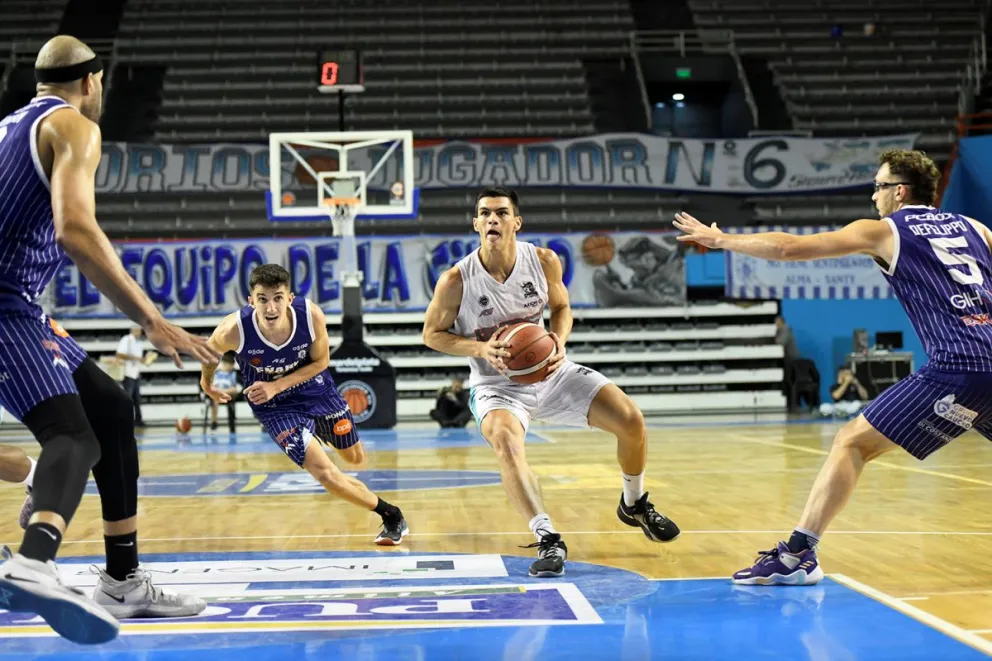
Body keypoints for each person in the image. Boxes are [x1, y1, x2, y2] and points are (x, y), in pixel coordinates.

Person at [673, 148, 990, 585]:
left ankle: (797, 555)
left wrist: (721, 241)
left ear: (899, 192)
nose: (873, 197)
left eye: (878, 187)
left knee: (851, 443)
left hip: (959, 364)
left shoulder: (884, 230)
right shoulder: (976, 228)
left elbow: (789, 248)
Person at [0, 36, 219, 644]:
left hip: (22, 308)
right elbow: (76, 229)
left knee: (112, 411)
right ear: (93, 82)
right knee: (72, 436)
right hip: (5, 305)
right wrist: (151, 318)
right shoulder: (74, 127)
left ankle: (122, 580)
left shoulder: (8, 127)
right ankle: (35, 560)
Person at [422, 186, 680, 579]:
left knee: (631, 420)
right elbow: (432, 334)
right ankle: (547, 537)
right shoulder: (456, 280)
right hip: (497, 385)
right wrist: (480, 349)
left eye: (502, 213)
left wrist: (558, 338)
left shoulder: (543, 260)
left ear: (516, 222)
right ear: (475, 223)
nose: (493, 219)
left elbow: (561, 308)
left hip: (551, 371)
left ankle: (634, 503)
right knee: (506, 443)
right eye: (485, 213)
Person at [200, 264, 409, 545]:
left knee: (354, 458)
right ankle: (391, 515)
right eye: (262, 298)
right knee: (326, 474)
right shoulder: (233, 329)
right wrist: (207, 386)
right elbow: (209, 356)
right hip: (273, 406)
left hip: (314, 388)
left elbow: (322, 362)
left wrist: (277, 384)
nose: (270, 307)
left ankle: (316, 433)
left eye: (277, 297)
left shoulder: (310, 316)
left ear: (289, 298)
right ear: (251, 301)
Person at [116, 325, 147, 426]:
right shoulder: (126, 340)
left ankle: (138, 419)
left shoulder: (139, 342)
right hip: (128, 373)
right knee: (128, 398)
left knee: (137, 398)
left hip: (136, 372)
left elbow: (139, 358)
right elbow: (120, 354)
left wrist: (144, 359)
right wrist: (136, 358)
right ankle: (125, 420)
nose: (140, 332)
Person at [209, 353, 240, 432]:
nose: (232, 367)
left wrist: (224, 391)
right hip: (218, 393)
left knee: (233, 391)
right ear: (224, 364)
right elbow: (212, 386)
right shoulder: (216, 374)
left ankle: (231, 423)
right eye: (230, 365)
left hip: (228, 392)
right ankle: (214, 421)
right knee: (214, 398)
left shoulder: (233, 374)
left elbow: (234, 388)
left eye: (233, 365)